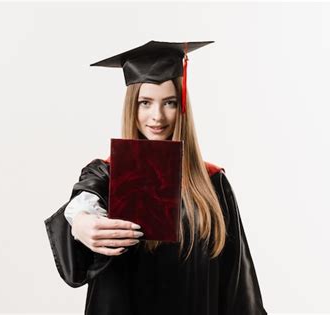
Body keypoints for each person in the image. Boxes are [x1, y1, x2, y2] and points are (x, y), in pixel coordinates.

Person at [44, 40, 267, 315]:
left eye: (170, 103)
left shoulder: (212, 183)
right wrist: (80, 224)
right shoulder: (107, 175)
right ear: (132, 107)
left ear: (182, 108)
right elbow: (83, 203)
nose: (157, 116)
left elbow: (237, 284)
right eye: (145, 102)